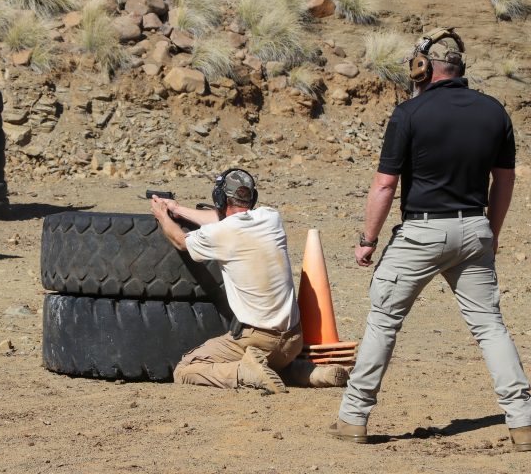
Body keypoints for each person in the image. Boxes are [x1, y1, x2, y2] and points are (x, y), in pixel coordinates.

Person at [328, 27, 531, 451]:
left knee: (384, 320)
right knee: (490, 327)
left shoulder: (409, 113)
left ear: (423, 67)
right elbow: (505, 179)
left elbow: (384, 186)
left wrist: (368, 239)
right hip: (475, 228)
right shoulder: (495, 111)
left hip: (421, 232)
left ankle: (354, 417)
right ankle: (522, 421)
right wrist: (491, 232)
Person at [150, 168, 348, 394]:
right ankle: (314, 373)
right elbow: (222, 220)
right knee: (272, 364)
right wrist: (176, 209)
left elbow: (180, 241)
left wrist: (162, 216)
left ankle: (245, 372)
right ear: (252, 198)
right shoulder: (270, 217)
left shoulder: (220, 234)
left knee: (186, 369)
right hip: (293, 341)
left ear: (220, 199)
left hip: (257, 340)